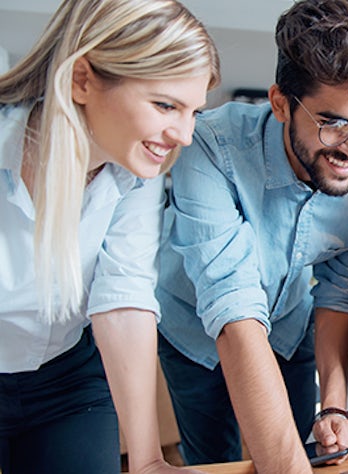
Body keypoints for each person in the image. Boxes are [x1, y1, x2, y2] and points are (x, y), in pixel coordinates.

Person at [154, 0, 348, 471]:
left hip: (290, 329)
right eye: (334, 124)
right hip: (193, 329)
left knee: (305, 447)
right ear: (279, 103)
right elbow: (232, 304)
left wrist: (335, 405)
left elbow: (340, 290)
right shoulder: (209, 147)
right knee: (217, 459)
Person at [0, 0, 219, 472]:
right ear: (82, 80)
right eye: (165, 105)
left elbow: (124, 298)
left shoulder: (135, 171)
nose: (183, 134)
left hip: (65, 381)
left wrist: (146, 460)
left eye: (194, 111)